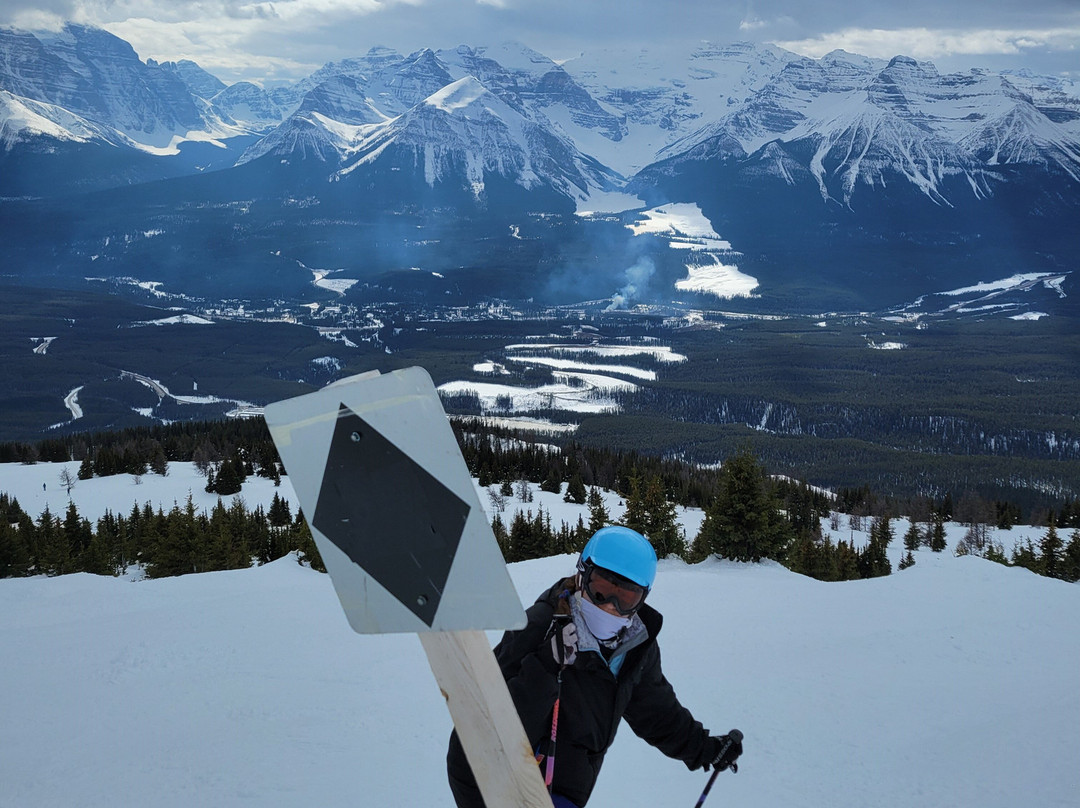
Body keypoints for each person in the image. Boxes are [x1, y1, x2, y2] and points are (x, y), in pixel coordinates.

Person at [446, 525, 743, 808]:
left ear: (642, 599)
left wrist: (705, 749)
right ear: (581, 576)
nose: (610, 606)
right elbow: (480, 729)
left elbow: (657, 712)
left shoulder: (634, 646)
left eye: (626, 598)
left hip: (567, 791)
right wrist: (544, 667)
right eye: (601, 589)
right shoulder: (538, 628)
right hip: (500, 789)